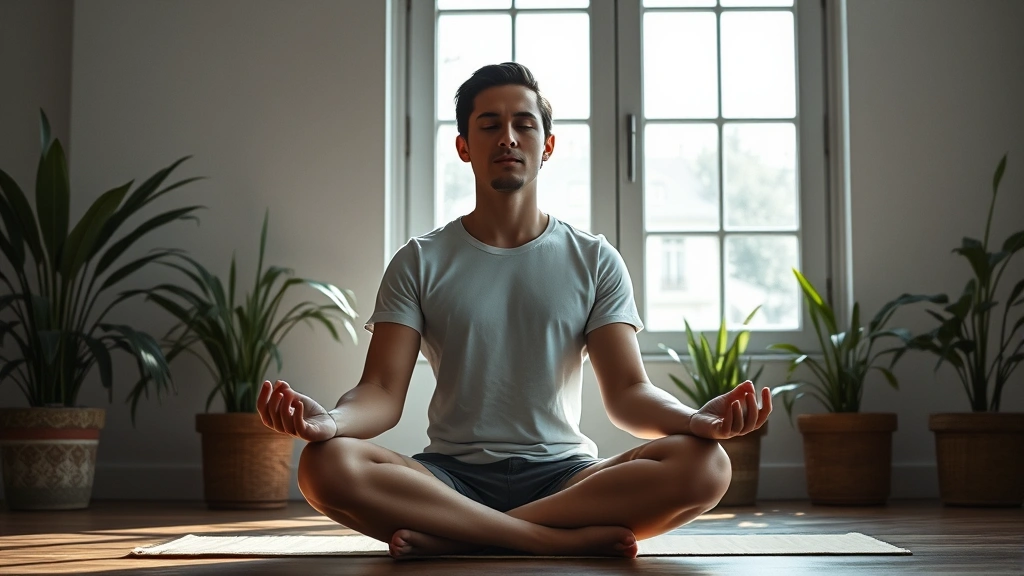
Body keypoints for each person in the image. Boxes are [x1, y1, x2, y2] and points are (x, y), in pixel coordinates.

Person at [257, 62, 771, 559]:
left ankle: (461, 536)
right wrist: (332, 421)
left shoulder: (594, 259)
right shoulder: (420, 260)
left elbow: (629, 395)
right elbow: (381, 393)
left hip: (565, 477)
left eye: (524, 124)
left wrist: (694, 419)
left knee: (706, 466)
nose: (508, 137)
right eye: (489, 124)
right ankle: (550, 539)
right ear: (464, 146)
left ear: (546, 145)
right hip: (448, 477)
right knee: (323, 466)